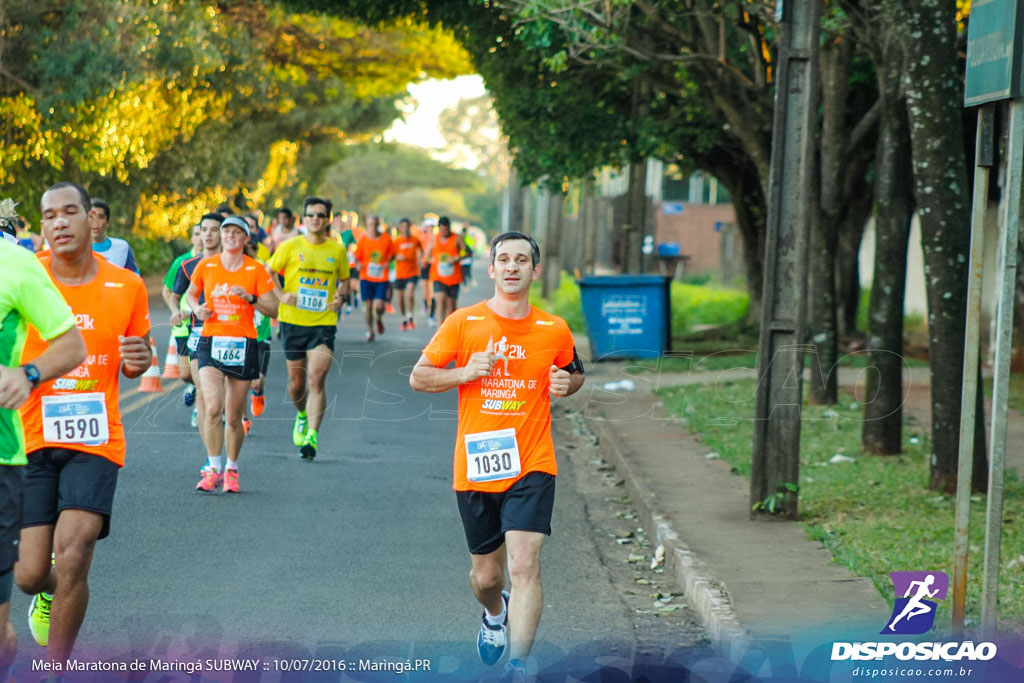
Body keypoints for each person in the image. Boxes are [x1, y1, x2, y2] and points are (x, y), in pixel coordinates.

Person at [409, 231, 585, 678]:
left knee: (525, 564)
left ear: (535, 270)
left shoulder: (554, 328)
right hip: (476, 466)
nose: (512, 267)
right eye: (503, 259)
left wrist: (568, 384)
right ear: (490, 269)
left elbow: (573, 372)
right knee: (488, 577)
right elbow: (419, 376)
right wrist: (466, 371)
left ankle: (521, 665)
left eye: (521, 260)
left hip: (532, 462)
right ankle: (493, 614)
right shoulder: (464, 323)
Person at [16, 182, 152, 665]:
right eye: (48, 215)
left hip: (95, 438)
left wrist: (140, 359)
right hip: (29, 436)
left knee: (72, 555)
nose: (58, 222)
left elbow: (137, 359)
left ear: (90, 219)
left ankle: (55, 672)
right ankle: (48, 592)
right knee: (30, 574)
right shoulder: (22, 277)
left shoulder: (127, 285)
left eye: (69, 212)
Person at [0, 237, 86, 681]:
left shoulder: (14, 262)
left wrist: (27, 374)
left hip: (6, 455)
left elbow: (73, 346)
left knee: (21, 591)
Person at [187, 216, 277, 493]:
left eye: (236, 232)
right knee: (213, 407)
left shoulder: (255, 269)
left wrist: (251, 298)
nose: (229, 236)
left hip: (243, 344)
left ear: (246, 239)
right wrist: (197, 309)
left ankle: (232, 469)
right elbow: (192, 294)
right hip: (211, 341)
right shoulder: (207, 265)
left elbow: (273, 310)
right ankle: (213, 467)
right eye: (226, 231)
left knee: (234, 416)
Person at [267, 197, 350, 459]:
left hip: (323, 323)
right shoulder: (290, 246)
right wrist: (281, 296)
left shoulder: (337, 250)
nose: (316, 218)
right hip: (292, 322)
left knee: (316, 379)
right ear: (304, 218)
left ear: (327, 219)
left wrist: (340, 297)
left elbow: (345, 280)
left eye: (321, 215)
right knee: (297, 384)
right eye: (311, 214)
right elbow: (268, 272)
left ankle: (312, 437)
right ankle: (301, 414)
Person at [172, 214, 224, 430]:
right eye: (204, 230)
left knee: (224, 399)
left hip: (229, 335)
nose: (208, 234)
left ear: (222, 233)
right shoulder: (188, 265)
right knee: (205, 396)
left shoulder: (233, 264)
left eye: (214, 229)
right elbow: (175, 297)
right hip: (198, 333)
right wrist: (177, 312)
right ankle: (212, 455)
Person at [162, 223, 203, 408]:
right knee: (186, 374)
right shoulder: (182, 262)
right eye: (197, 234)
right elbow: (168, 292)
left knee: (207, 371)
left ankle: (202, 406)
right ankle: (195, 388)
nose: (202, 237)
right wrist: (176, 312)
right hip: (184, 324)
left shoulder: (217, 261)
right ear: (192, 238)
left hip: (204, 324)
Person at [353, 215, 394, 342]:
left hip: (381, 278)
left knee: (380, 306)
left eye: (375, 225)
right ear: (367, 225)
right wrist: (358, 264)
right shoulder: (363, 239)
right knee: (369, 306)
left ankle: (379, 318)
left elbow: (392, 254)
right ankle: (370, 331)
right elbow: (356, 257)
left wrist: (388, 262)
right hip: (366, 277)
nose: (373, 227)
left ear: (378, 225)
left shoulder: (386, 238)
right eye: (370, 225)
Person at [425, 216, 466, 324]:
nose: (444, 232)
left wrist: (457, 258)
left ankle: (449, 328)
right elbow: (427, 254)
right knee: (440, 301)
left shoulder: (457, 238)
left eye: (446, 229)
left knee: (451, 306)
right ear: (439, 228)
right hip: (438, 276)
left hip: (454, 277)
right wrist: (428, 259)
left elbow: (465, 252)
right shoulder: (435, 238)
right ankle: (440, 329)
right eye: (442, 230)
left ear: (449, 227)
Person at [88, 198, 139, 274]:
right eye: (91, 217)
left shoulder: (122, 247)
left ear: (108, 221)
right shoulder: (76, 250)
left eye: (100, 217)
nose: (96, 222)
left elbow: (135, 277)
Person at [392, 218, 423, 330]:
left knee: (409, 294)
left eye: (407, 226)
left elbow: (422, 250)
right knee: (400, 298)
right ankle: (403, 317)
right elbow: (390, 256)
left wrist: (420, 257)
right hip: (400, 273)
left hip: (412, 271)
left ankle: (410, 315)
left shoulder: (415, 239)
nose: (405, 229)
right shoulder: (396, 241)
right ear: (400, 227)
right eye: (403, 226)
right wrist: (397, 257)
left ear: (410, 227)